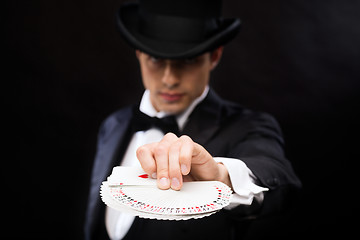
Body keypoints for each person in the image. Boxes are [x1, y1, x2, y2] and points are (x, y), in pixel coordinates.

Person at [85, 0, 302, 239]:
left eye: (188, 60)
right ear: (139, 54)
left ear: (214, 56)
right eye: (155, 60)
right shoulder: (113, 124)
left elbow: (281, 181)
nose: (169, 79)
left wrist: (221, 177)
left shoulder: (249, 126)